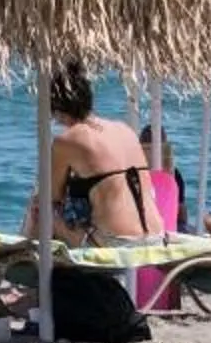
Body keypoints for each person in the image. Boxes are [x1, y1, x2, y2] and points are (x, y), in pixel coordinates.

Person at [26, 64, 150, 244]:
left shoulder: (68, 139)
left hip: (118, 242)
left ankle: (28, 262)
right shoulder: (125, 129)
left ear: (57, 109)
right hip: (155, 234)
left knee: (41, 208)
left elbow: (50, 196)